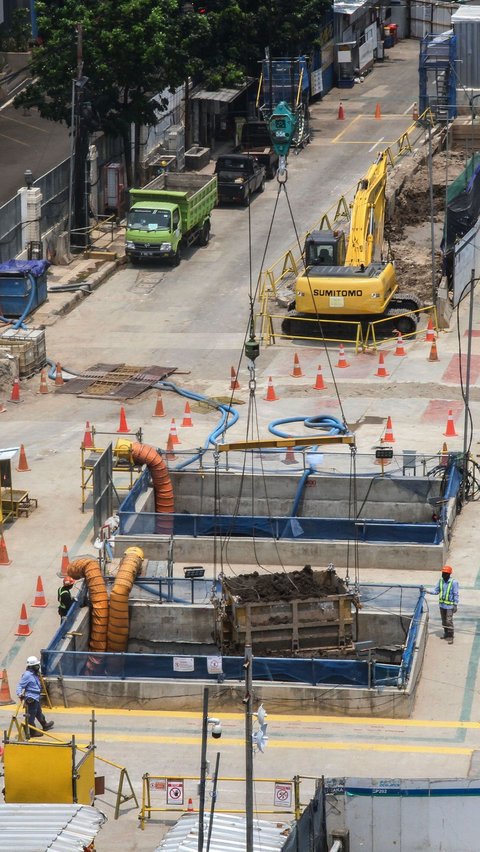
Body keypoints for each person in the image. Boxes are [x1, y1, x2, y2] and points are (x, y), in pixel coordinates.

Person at [16, 656, 54, 737]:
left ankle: (45, 725)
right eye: (36, 665)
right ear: (32, 666)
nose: (38, 667)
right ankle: (32, 732)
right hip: (31, 698)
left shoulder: (34, 674)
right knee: (31, 716)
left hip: (36, 697)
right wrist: (20, 694)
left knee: (39, 713)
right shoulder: (27, 675)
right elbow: (20, 685)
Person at [426, 565, 459, 644]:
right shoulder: (440, 581)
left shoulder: (454, 582)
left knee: (449, 621)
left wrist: (455, 605)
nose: (443, 574)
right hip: (442, 605)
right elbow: (436, 591)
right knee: (444, 621)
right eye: (443, 573)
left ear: (449, 574)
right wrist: (426, 590)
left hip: (450, 606)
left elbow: (456, 594)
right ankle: (446, 633)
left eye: (445, 573)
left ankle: (450, 636)